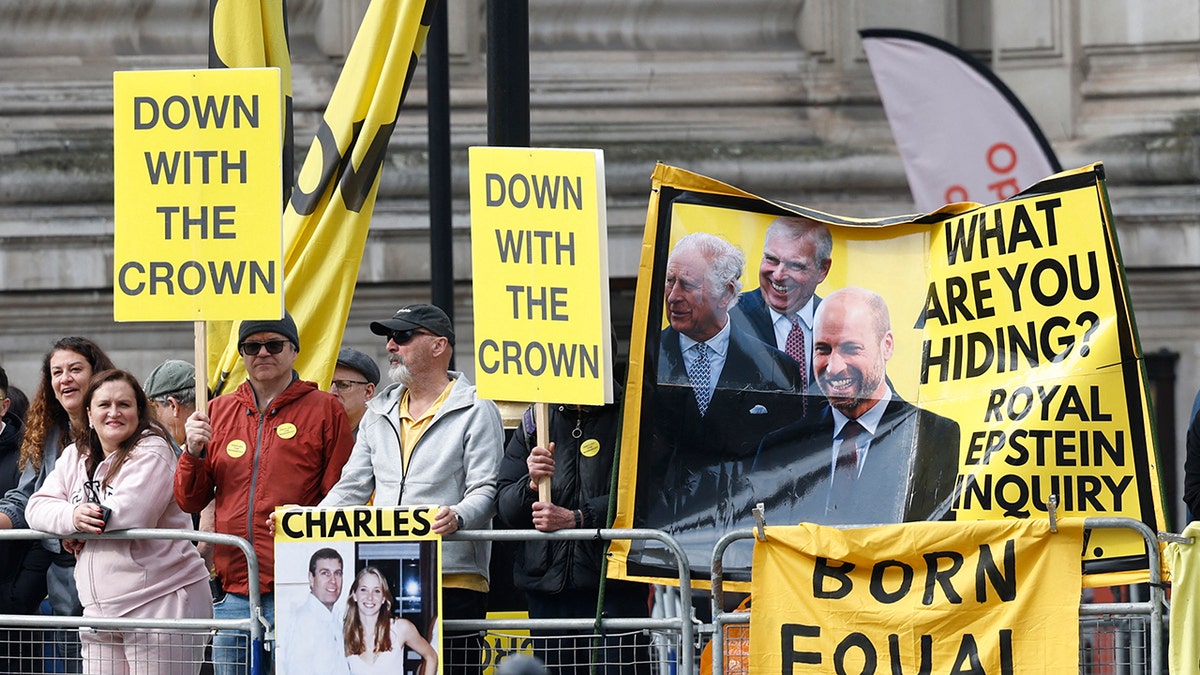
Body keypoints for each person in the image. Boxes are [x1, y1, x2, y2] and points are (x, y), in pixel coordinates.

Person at [319, 303, 504, 675]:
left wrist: (459, 516)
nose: (390, 345)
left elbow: (487, 489)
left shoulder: (476, 408)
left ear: (438, 346)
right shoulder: (378, 411)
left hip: (453, 577)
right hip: (384, 576)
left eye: (402, 336)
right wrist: (303, 522)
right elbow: (351, 487)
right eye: (390, 337)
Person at [176, 312, 355, 675]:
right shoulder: (216, 411)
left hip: (300, 589)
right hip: (234, 592)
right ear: (241, 353)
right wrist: (192, 452)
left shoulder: (325, 409)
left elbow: (341, 494)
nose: (262, 353)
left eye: (274, 345)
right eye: (251, 346)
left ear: (294, 350)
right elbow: (189, 499)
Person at [634, 232, 803, 578]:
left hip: (747, 555)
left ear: (726, 293)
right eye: (669, 281)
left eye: (687, 285)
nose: (673, 296)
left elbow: (794, 467)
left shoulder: (776, 370)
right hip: (663, 556)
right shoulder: (643, 363)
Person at [26, 369, 213, 675]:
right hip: (99, 612)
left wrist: (79, 527)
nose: (114, 412)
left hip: (161, 603)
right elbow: (36, 507)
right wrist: (72, 518)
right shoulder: (73, 455)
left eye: (124, 404)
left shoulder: (155, 449)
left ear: (139, 411)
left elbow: (128, 513)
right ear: (89, 414)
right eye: (104, 405)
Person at [753, 286, 961, 526]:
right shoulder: (779, 448)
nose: (834, 367)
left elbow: (929, 539)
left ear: (887, 346)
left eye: (850, 348)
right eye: (823, 349)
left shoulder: (931, 436)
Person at [495, 387, 651, 675]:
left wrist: (578, 518)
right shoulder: (535, 419)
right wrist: (531, 484)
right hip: (548, 592)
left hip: (612, 588)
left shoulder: (633, 412)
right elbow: (505, 509)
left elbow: (650, 494)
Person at [0, 336, 117, 673]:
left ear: (97, 374)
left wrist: (71, 519)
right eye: (57, 372)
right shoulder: (48, 433)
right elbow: (28, 499)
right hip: (64, 578)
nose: (65, 378)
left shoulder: (126, 426)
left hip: (117, 574)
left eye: (75, 369)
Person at [729, 215, 832, 388]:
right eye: (771, 259)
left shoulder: (840, 325)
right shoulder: (730, 316)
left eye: (795, 265)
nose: (778, 275)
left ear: (823, 269)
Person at [0, 365, 45, 673]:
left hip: (14, 617)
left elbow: (42, 527)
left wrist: (18, 597)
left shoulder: (29, 453)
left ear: (4, 406)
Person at [343, 566, 437, 675]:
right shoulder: (345, 634)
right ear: (354, 595)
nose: (370, 597)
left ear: (383, 598)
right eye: (364, 590)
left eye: (376, 591)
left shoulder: (400, 628)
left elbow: (431, 656)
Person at [278, 548, 350, 675]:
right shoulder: (304, 623)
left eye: (337, 573)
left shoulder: (334, 619)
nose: (333, 581)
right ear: (311, 578)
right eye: (325, 573)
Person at [331, 347, 380, 435]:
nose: (331, 392)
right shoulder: (312, 431)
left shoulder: (382, 436)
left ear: (368, 392)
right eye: (327, 384)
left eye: (343, 385)